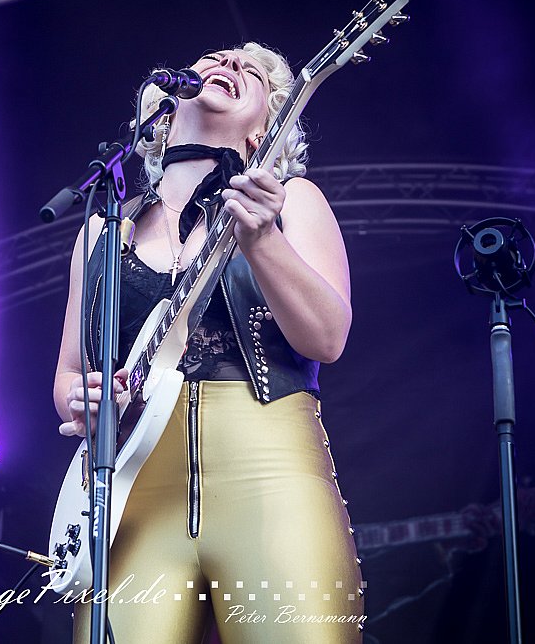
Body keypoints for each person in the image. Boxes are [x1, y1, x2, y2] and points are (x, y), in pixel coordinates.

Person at [52, 43, 363, 643]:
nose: (229, 66)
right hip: (132, 498)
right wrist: (82, 399)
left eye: (252, 73)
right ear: (166, 107)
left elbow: (328, 338)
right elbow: (69, 374)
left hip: (271, 478)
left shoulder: (294, 200)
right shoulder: (102, 229)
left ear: (264, 130)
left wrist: (263, 241)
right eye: (216, 59)